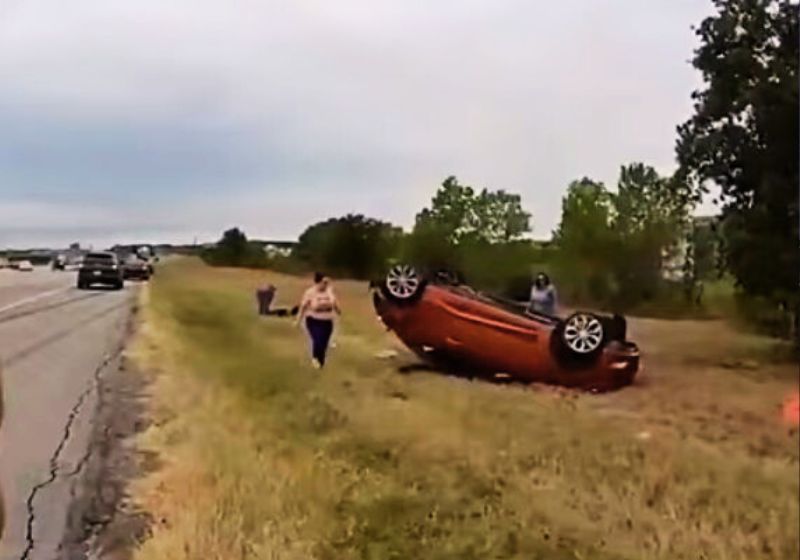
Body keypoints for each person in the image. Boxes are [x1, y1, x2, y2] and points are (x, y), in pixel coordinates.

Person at [296, 272, 341, 368]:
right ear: (318, 282)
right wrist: (298, 319)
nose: (326, 284)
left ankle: (321, 361)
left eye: (327, 282)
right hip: (313, 320)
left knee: (324, 342)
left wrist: (338, 311)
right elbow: (303, 306)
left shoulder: (329, 291)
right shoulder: (310, 292)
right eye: (324, 282)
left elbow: (334, 303)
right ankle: (315, 358)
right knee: (318, 339)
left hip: (327, 321)